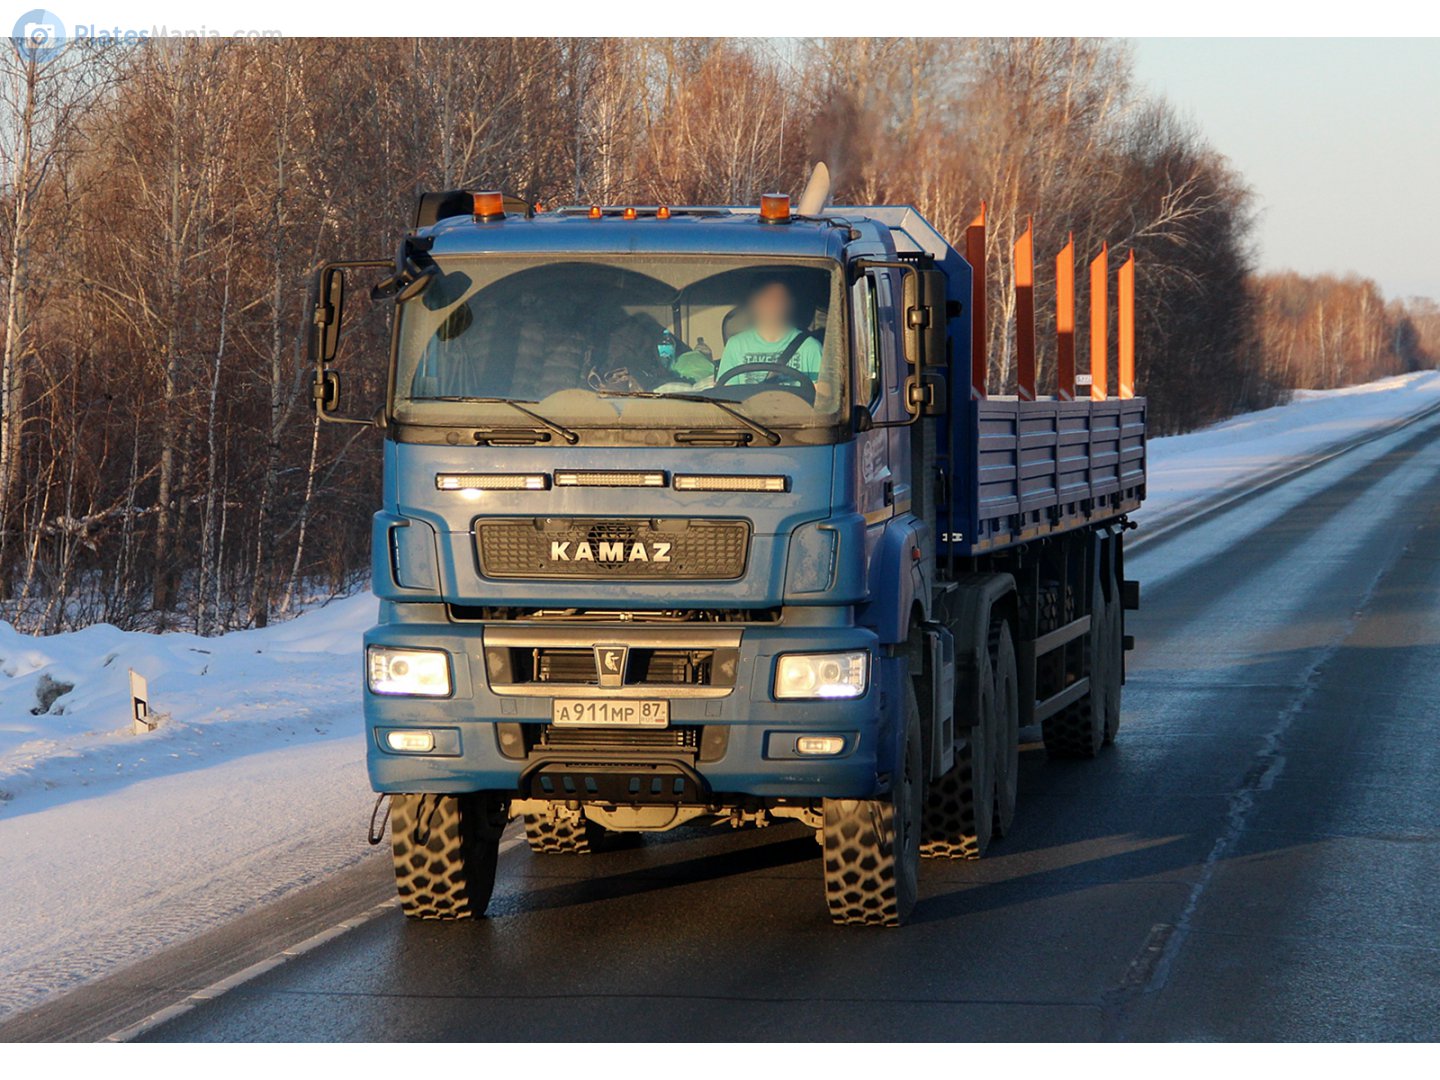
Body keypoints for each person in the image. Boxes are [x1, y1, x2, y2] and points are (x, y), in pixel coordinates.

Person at [717, 277, 824, 390]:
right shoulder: (735, 345)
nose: (772, 305)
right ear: (754, 304)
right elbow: (726, 394)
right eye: (766, 299)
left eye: (778, 299)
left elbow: (821, 398)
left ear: (790, 303)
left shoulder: (810, 347)